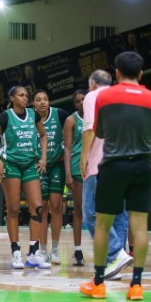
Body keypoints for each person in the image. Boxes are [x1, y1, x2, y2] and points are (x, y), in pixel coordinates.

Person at [79, 52, 151, 300]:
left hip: (114, 165)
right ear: (141, 73)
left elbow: (100, 131)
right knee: (139, 225)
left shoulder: (104, 96)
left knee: (102, 224)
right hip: (142, 166)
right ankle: (136, 285)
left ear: (116, 73)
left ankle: (98, 282)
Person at [0, 85, 51, 269]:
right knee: (13, 209)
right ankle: (16, 252)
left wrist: (43, 157)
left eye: (26, 95)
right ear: (12, 98)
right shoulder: (5, 116)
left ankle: (34, 253)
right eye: (21, 95)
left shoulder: (33, 115)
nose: (25, 98)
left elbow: (43, 135)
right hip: (11, 165)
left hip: (29, 164)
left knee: (38, 208)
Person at [80, 69, 133, 279]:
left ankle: (114, 253)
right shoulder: (124, 96)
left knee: (92, 211)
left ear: (92, 84)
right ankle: (114, 263)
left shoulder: (93, 96)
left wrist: (83, 156)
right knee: (119, 213)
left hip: (100, 164)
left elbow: (90, 128)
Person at [32, 90, 69, 264]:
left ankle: (55, 250)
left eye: (45, 99)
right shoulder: (29, 117)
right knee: (42, 208)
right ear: (33, 103)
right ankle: (42, 249)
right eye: (38, 100)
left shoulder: (60, 115)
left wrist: (67, 153)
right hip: (38, 165)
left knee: (56, 206)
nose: (42, 102)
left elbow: (73, 132)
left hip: (56, 165)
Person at [63, 89, 87, 266]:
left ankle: (109, 250)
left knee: (100, 211)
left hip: (95, 168)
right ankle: (78, 250)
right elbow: (68, 148)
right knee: (78, 209)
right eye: (78, 101)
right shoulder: (71, 121)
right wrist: (68, 173)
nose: (81, 103)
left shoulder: (97, 117)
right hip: (78, 169)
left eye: (83, 99)